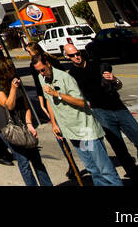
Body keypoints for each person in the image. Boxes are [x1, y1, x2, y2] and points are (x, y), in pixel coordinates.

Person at [64, 42, 138, 185]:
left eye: (78, 53)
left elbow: (118, 85)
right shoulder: (72, 75)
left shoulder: (97, 65)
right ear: (67, 57)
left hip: (119, 108)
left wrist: (114, 79)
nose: (76, 57)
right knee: (120, 149)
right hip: (100, 113)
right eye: (72, 55)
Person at [32, 51, 122, 186]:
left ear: (48, 64)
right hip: (71, 131)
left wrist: (58, 94)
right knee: (93, 169)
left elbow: (81, 102)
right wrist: (54, 124)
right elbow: (49, 102)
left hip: (85, 129)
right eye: (39, 71)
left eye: (43, 70)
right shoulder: (42, 78)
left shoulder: (65, 78)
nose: (42, 73)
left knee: (104, 169)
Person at [0, 58, 53, 185]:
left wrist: (29, 124)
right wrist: (12, 89)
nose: (13, 71)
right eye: (10, 69)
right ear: (2, 71)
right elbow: (8, 105)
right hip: (9, 127)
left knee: (36, 160)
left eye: (13, 68)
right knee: (23, 161)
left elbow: (26, 104)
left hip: (23, 123)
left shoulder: (15, 79)